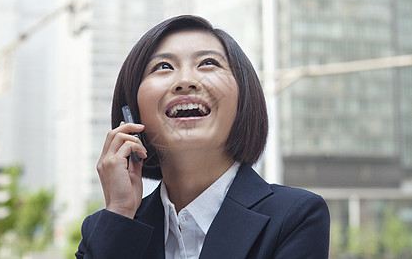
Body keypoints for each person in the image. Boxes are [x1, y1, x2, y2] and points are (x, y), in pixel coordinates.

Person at [75, 15, 330, 259]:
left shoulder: (295, 217)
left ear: (243, 99)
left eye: (208, 63)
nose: (186, 80)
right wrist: (119, 214)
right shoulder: (102, 230)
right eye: (163, 67)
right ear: (131, 110)